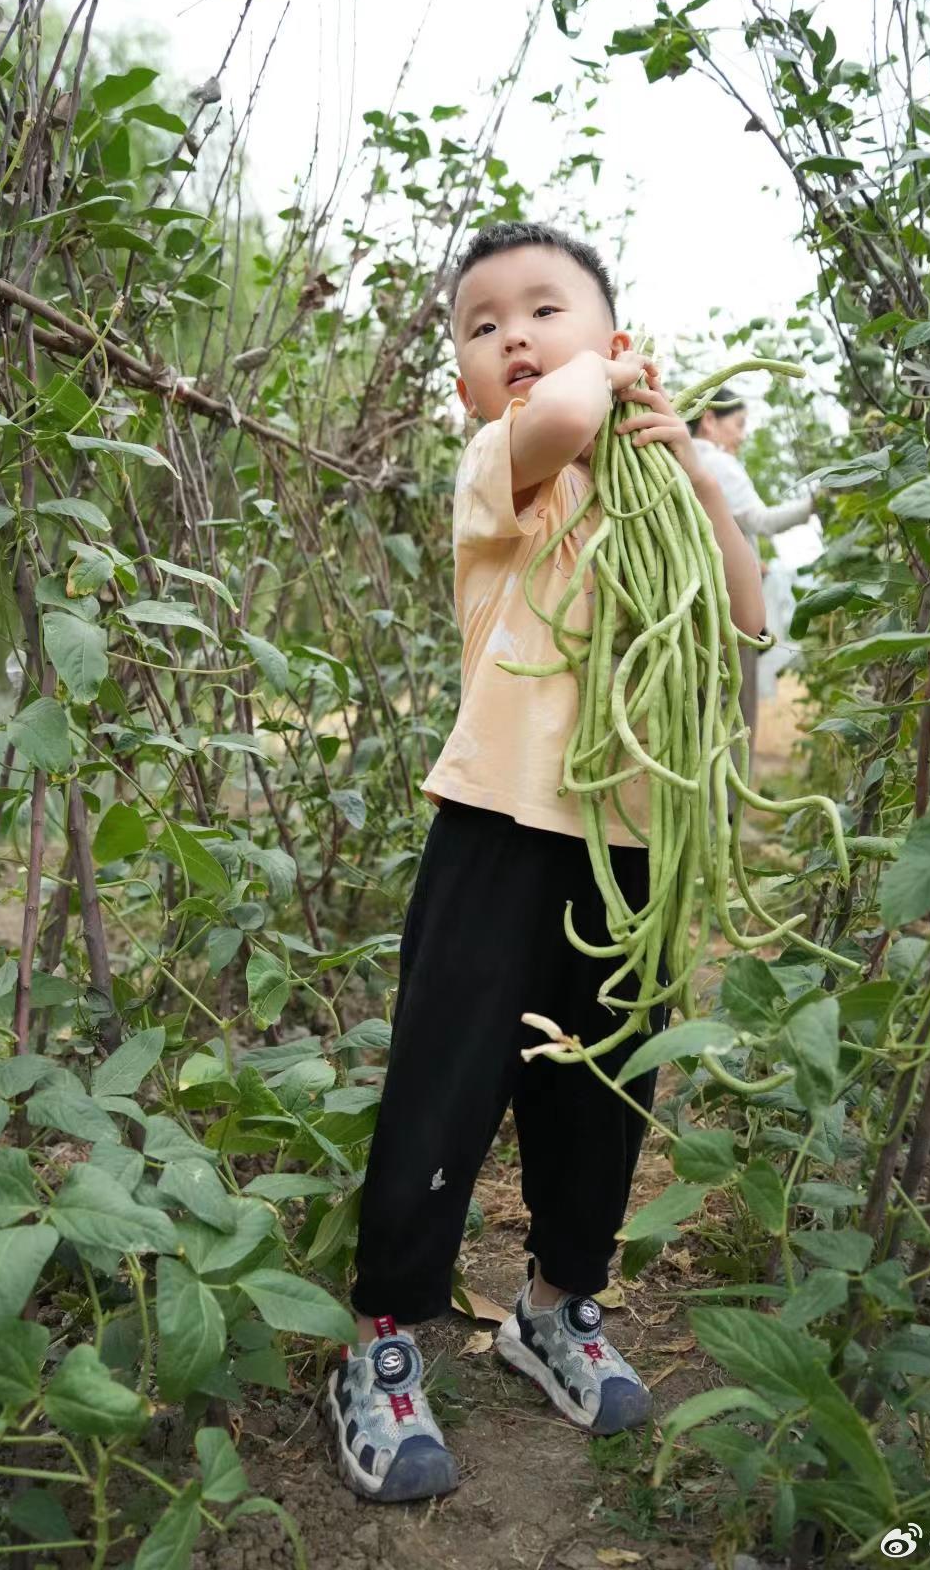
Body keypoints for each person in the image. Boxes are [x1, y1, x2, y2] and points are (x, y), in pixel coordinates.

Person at [328, 221, 766, 1503]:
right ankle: (384, 1334)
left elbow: (742, 615)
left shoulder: (654, 488)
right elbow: (567, 412)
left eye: (542, 310)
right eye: (481, 325)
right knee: (443, 1088)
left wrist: (689, 468)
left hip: (633, 845)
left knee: (603, 1096)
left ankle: (554, 1303)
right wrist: (599, 373)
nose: (512, 335)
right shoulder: (503, 471)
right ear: (467, 383)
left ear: (615, 334)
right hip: (497, 826)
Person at [688, 394, 819, 782]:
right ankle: (727, 810)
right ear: (710, 420)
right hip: (732, 608)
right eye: (740, 424)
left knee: (700, 709)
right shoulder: (717, 463)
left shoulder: (677, 462)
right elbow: (761, 520)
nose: (742, 436)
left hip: (695, 603)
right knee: (733, 714)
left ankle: (699, 811)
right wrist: (814, 503)